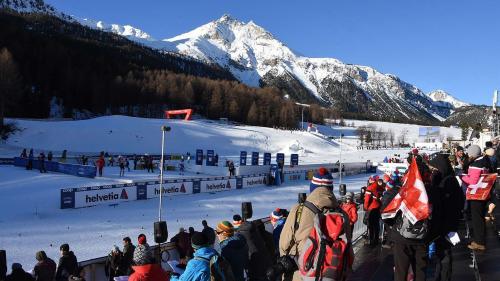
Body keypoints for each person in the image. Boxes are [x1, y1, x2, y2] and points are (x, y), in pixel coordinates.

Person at [279, 167, 347, 281]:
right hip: (332, 274)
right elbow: (348, 250)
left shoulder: (298, 210)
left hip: (302, 273)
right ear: (330, 188)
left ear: (312, 188)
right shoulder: (342, 214)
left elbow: (284, 243)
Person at [428, 154, 465, 281]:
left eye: (434, 169)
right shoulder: (446, 179)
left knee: (444, 255)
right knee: (441, 255)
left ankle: (444, 277)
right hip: (443, 223)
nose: (432, 172)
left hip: (446, 224)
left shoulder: (448, 181)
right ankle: (440, 276)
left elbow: (448, 203)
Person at [462, 145, 492, 250]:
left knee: (477, 218)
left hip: (476, 194)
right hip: (484, 193)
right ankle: (480, 240)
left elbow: (473, 181)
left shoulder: (476, 164)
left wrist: (462, 176)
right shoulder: (485, 161)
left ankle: (479, 242)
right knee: (480, 218)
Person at [364, 175, 383, 246]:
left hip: (371, 209)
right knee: (376, 225)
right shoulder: (379, 187)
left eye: (370, 179)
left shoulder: (370, 187)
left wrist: (366, 207)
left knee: (371, 226)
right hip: (378, 207)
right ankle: (376, 239)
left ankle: (371, 241)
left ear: (372, 180)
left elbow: (367, 199)